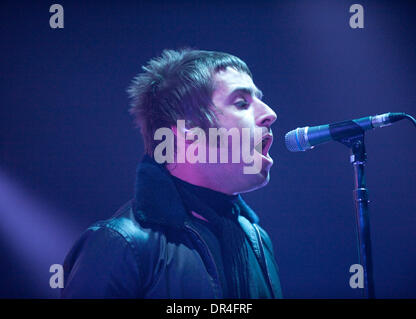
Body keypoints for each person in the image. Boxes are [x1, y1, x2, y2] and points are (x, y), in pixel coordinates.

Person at [61, 49, 283, 298]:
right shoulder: (122, 244)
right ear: (187, 126)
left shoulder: (257, 241)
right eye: (241, 103)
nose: (269, 114)